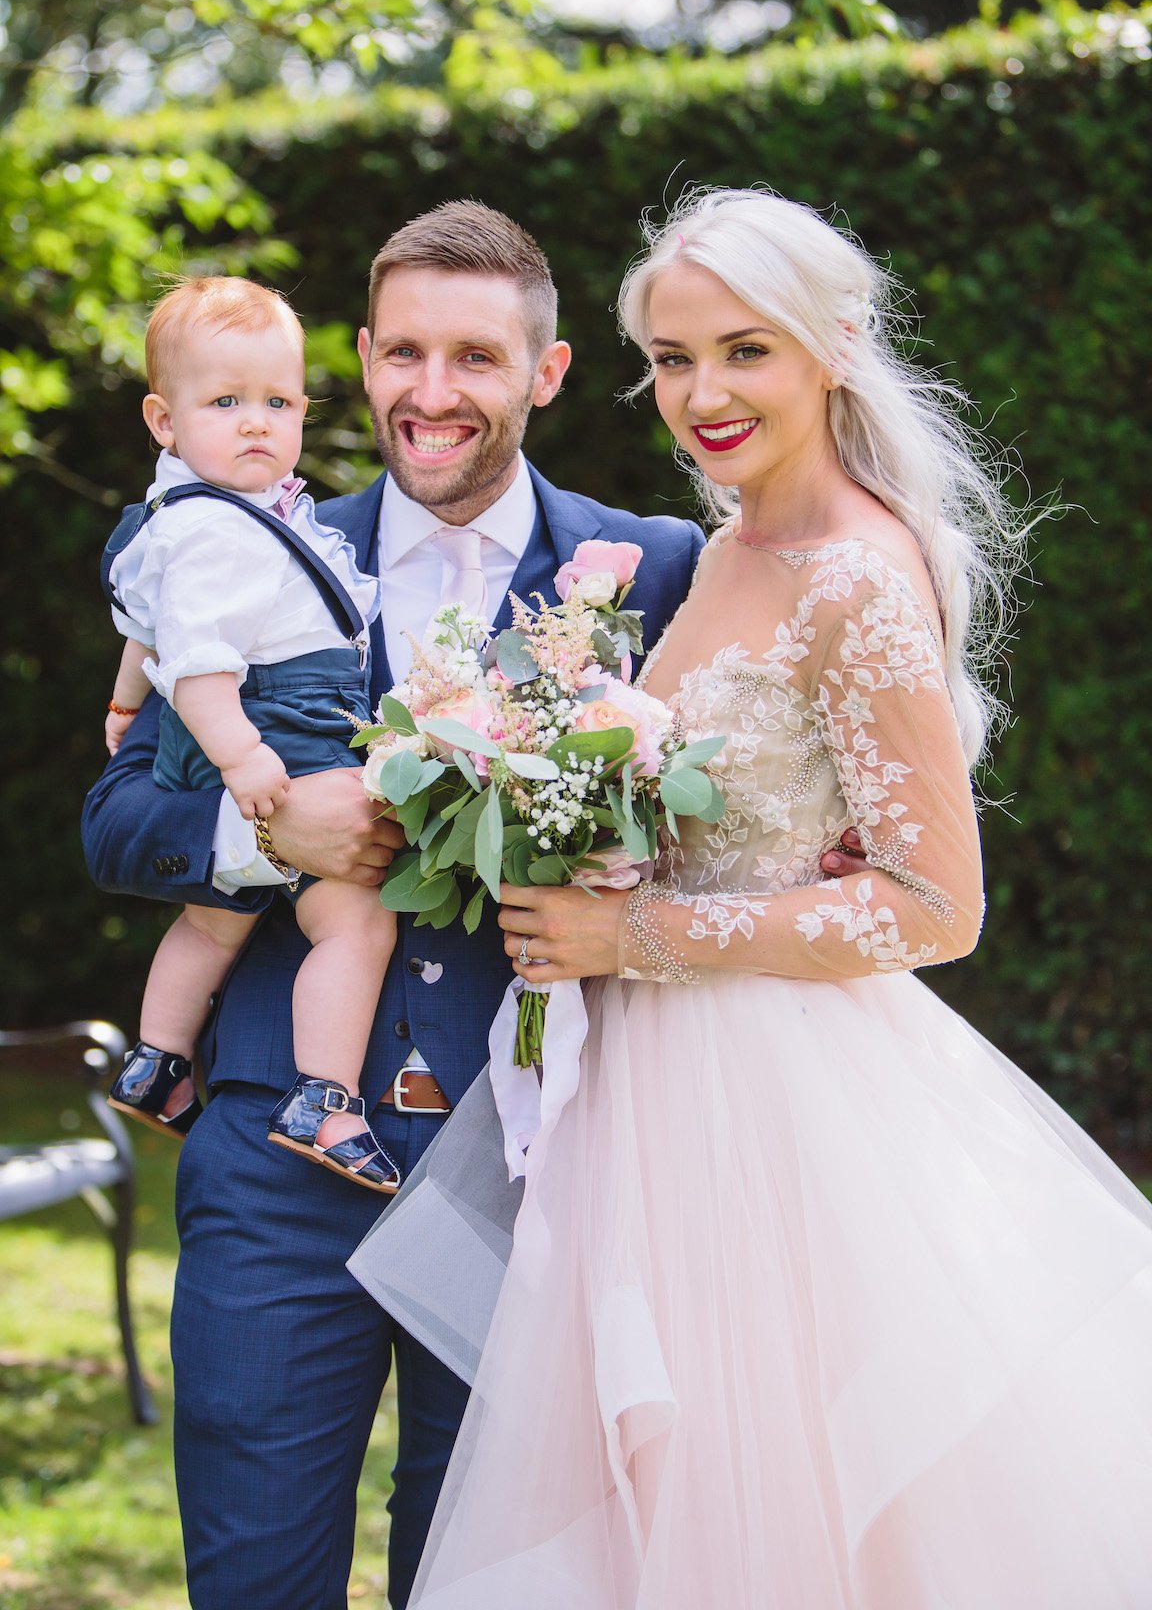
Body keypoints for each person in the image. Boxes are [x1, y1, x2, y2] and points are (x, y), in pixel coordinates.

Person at [404, 190, 1152, 1609]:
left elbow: (935, 905)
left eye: (744, 351)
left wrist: (638, 932)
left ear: (835, 348)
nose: (703, 395)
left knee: (779, 1497)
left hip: (778, 1117)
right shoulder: (731, 550)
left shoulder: (858, 576)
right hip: (651, 1094)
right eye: (674, 360)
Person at [84, 202, 742, 1609]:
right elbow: (117, 819)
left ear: (546, 373)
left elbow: (730, 841)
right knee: (255, 1576)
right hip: (274, 1154)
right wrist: (269, 823)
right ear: (365, 359)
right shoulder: (244, 543)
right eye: (403, 355)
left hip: (537, 1175)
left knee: (487, 1580)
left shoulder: (659, 568)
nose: (432, 394)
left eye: (475, 358)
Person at [102, 276, 401, 1191]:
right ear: (164, 419)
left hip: (233, 724)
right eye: (224, 402)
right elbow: (195, 660)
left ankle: (155, 1061)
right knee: (354, 921)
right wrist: (242, 758)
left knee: (211, 920)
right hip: (276, 730)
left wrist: (123, 707)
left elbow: (146, 629)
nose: (255, 422)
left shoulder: (185, 515)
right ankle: (326, 1095)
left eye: (277, 402)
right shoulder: (224, 531)